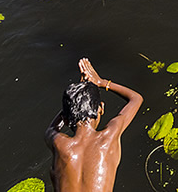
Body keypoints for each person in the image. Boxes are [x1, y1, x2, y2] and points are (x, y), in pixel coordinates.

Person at [45, 58, 143, 192]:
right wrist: (102, 83)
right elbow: (136, 99)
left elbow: (50, 130)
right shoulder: (109, 137)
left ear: (65, 120)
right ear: (101, 108)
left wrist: (72, 103)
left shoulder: (59, 144)